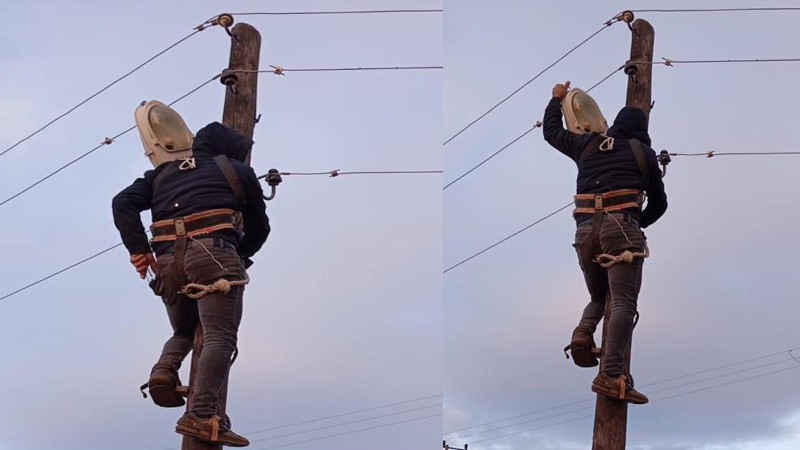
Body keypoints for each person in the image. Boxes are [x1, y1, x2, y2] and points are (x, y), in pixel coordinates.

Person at [112, 118, 270, 447]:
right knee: (219, 336)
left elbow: (121, 202)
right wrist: (240, 254)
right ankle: (202, 415)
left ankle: (164, 371)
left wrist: (139, 250)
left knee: (184, 330)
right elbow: (259, 228)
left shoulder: (160, 175)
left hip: (168, 264)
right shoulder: (237, 171)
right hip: (213, 256)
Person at [543, 81, 667, 404]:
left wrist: (556, 99)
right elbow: (659, 204)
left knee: (600, 295)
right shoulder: (644, 153)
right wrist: (636, 225)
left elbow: (551, 132)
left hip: (584, 232)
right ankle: (612, 376)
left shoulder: (586, 144)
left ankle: (583, 332)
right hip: (621, 230)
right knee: (624, 302)